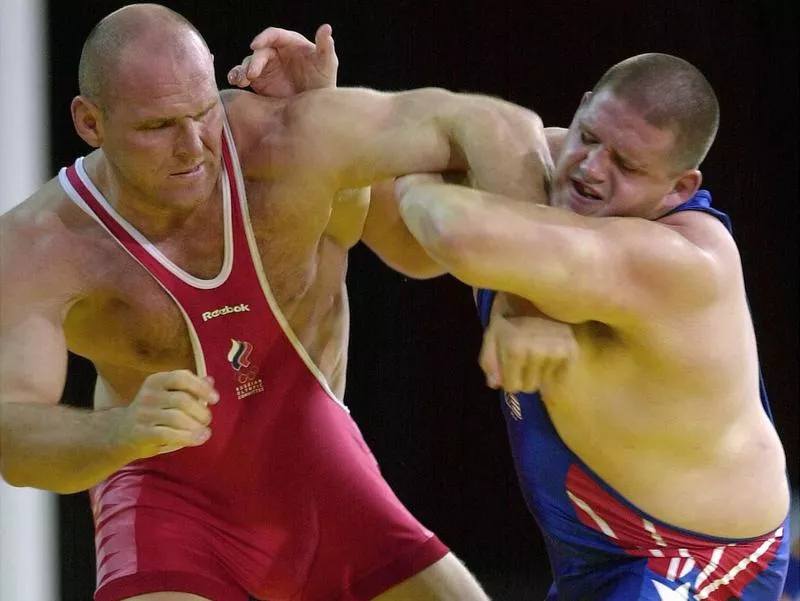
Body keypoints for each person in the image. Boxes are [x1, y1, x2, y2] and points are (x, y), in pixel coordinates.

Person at [0, 4, 553, 601]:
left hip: (323, 479)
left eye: (203, 111)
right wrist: (120, 431)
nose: (192, 147)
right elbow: (12, 437)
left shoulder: (282, 139)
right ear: (90, 123)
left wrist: (526, 309)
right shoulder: (41, 244)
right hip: (168, 500)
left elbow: (502, 128)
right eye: (158, 127)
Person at [393, 53, 792, 599]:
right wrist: (307, 96)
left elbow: (459, 236)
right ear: (582, 109)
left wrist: (413, 176)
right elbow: (388, 210)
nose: (591, 170)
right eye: (589, 136)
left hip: (693, 561)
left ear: (679, 188)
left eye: (627, 167)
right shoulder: (556, 165)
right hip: (592, 552)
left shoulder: (683, 263)